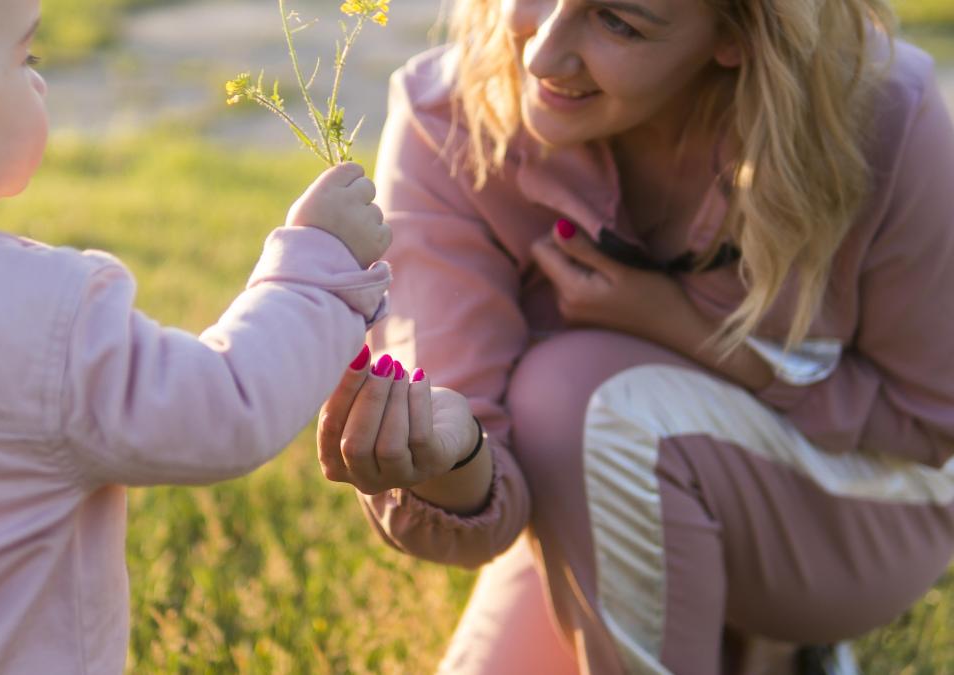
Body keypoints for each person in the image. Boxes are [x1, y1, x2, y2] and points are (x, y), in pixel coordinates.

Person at [316, 0, 954, 672]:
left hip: (851, 509)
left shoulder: (882, 116)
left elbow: (926, 420)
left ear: (736, 34)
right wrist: (450, 452)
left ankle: (772, 630)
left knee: (576, 394)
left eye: (619, 21)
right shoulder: (447, 117)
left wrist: (686, 327)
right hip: (598, 483)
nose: (538, 54)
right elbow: (482, 508)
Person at [0, 0, 391, 672]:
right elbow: (223, 406)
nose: (39, 83)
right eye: (24, 57)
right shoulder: (39, 315)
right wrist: (317, 273)